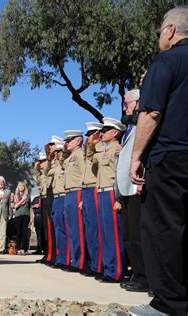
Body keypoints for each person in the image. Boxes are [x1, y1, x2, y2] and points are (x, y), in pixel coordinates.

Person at [129, 6, 188, 315]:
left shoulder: (165, 61)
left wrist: (136, 157)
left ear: (170, 31)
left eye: (159, 33)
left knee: (163, 228)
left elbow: (151, 112)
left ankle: (169, 304)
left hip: (170, 157)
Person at [113, 89, 148, 293]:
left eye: (127, 103)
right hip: (125, 190)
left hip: (136, 187)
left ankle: (144, 276)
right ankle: (137, 273)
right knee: (128, 235)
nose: (124, 107)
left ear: (137, 103)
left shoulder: (141, 127)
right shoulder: (130, 128)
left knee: (137, 235)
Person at [93, 117, 126, 283]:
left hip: (111, 193)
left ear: (115, 133)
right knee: (104, 233)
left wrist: (119, 198)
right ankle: (108, 268)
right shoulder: (105, 150)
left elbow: (119, 174)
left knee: (113, 234)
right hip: (101, 193)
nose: (102, 133)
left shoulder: (118, 149)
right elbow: (92, 157)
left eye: (105, 131)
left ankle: (116, 271)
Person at [81, 122, 104, 277]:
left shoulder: (102, 148)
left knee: (96, 230)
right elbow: (88, 156)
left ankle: (99, 264)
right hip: (86, 190)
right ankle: (93, 263)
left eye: (91, 135)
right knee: (89, 230)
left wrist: (94, 144)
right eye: (87, 135)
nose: (88, 138)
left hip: (96, 188)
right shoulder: (89, 151)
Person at [62, 130, 86, 272]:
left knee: (78, 230)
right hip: (68, 193)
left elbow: (84, 174)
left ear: (78, 141)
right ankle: (74, 260)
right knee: (70, 229)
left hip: (77, 192)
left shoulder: (80, 155)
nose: (67, 143)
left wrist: (83, 197)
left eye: (69, 140)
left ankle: (80, 262)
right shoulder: (70, 157)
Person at [39, 136, 62, 264]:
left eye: (52, 145)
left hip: (56, 194)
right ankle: (50, 254)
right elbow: (45, 172)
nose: (50, 147)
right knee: (48, 227)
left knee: (55, 227)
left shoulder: (61, 160)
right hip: (48, 194)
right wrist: (49, 157)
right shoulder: (51, 161)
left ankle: (56, 255)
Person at [49, 140, 70, 268]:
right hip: (56, 198)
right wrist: (50, 157)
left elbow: (62, 162)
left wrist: (61, 150)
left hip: (63, 196)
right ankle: (61, 257)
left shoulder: (64, 161)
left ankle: (66, 258)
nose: (55, 153)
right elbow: (46, 172)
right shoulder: (55, 164)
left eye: (57, 151)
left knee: (64, 229)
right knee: (57, 230)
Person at [11, 181, 30, 255]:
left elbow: (30, 207)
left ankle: (24, 249)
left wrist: (31, 218)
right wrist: (22, 200)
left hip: (26, 215)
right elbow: (14, 206)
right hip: (18, 215)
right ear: (18, 187)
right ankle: (18, 248)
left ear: (25, 187)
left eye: (22, 186)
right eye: (19, 186)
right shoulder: (15, 195)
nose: (21, 187)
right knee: (18, 232)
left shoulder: (28, 196)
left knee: (24, 232)